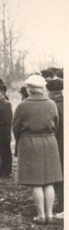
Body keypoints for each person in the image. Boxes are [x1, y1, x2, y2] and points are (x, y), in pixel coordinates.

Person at [13, 74, 63, 224]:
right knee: (49, 180)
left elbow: (15, 128)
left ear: (29, 89)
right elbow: (57, 124)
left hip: (29, 142)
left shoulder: (23, 105)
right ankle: (49, 214)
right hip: (50, 142)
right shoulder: (52, 104)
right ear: (42, 89)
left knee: (35, 181)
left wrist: (20, 140)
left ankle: (41, 215)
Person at [46, 78, 64, 218]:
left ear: (52, 92)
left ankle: (62, 205)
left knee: (60, 175)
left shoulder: (54, 106)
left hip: (58, 144)